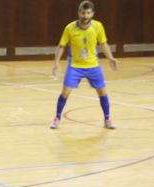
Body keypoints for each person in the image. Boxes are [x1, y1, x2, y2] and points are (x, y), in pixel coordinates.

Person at [50, 0, 118, 129]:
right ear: (78, 13)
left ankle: (107, 119)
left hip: (93, 65)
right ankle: (57, 117)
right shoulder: (70, 28)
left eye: (88, 13)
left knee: (102, 92)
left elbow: (103, 43)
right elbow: (61, 46)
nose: (85, 16)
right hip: (75, 66)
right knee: (65, 92)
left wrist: (110, 58)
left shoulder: (98, 26)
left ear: (92, 13)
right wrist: (56, 63)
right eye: (83, 13)